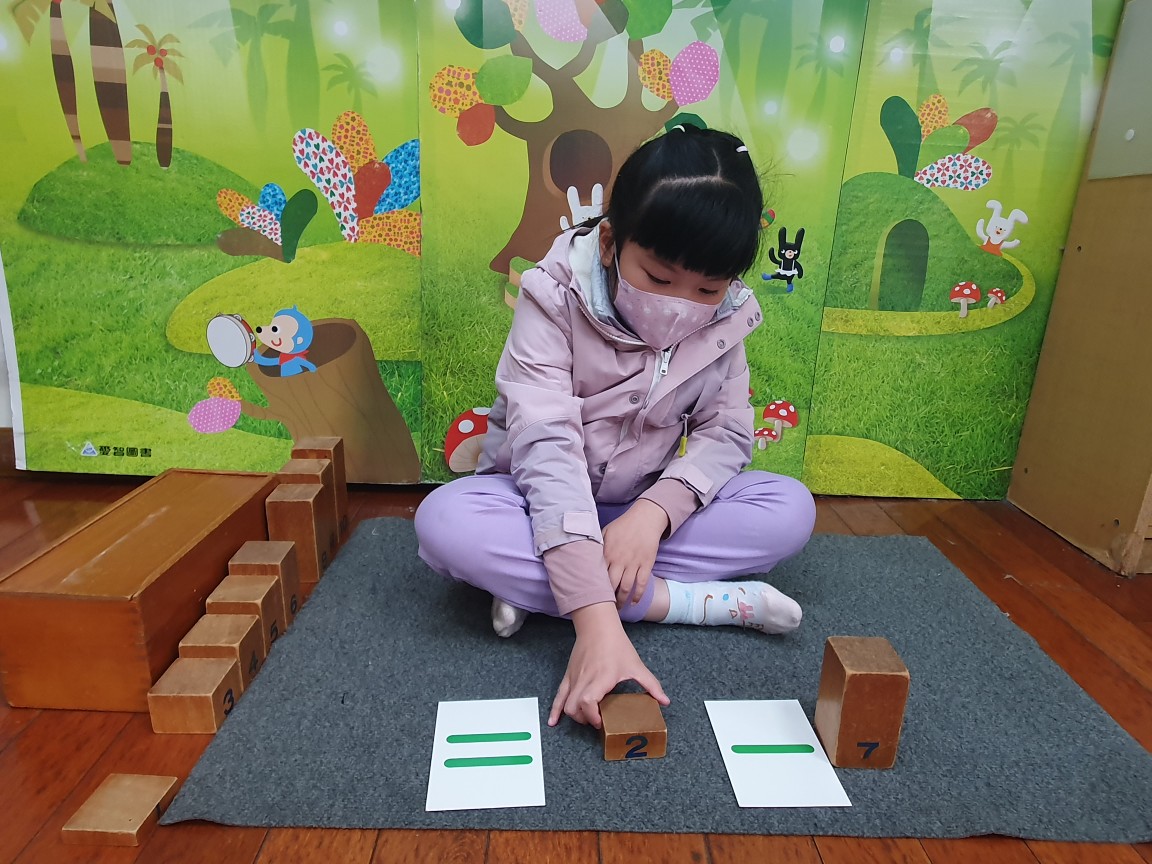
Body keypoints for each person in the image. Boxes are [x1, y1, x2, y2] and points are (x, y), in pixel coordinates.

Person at [415, 125, 816, 731]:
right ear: (609, 243)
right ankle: (682, 602)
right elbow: (546, 448)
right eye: (659, 279)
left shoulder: (726, 319)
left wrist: (651, 516)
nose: (682, 304)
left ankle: (536, 589)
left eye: (708, 288)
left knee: (788, 509)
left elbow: (726, 435)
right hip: (534, 501)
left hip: (639, 512)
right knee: (446, 521)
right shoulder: (552, 296)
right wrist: (597, 626)